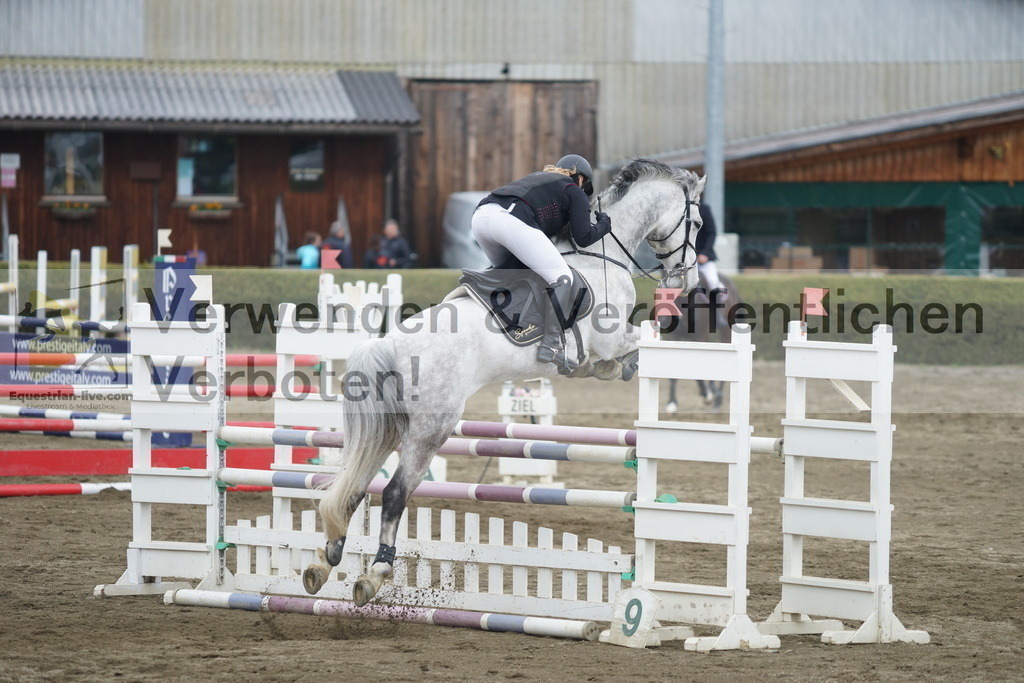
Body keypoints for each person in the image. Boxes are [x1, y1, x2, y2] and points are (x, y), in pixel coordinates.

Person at [471, 153, 612, 372]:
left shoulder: (540, 178)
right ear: (581, 178)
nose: (583, 190)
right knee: (561, 278)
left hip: (481, 218)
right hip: (508, 221)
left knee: (511, 274)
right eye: (584, 185)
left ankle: (509, 327)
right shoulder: (574, 189)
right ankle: (551, 345)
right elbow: (583, 237)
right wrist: (604, 224)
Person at [694, 202, 725, 299]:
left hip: (702, 257)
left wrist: (705, 253)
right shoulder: (679, 208)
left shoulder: (704, 209)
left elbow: (711, 233)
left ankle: (719, 305)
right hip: (685, 258)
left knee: (712, 282)